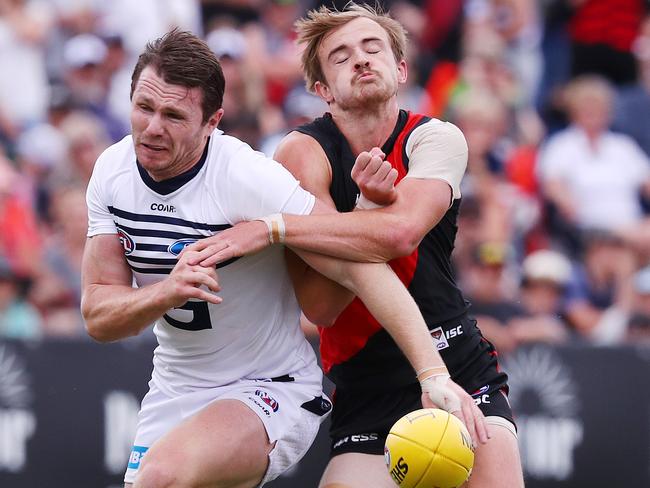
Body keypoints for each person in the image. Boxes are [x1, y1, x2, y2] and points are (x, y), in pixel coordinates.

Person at [80, 29, 485, 488]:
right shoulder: (111, 173)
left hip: (269, 386)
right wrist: (165, 293)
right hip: (175, 387)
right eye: (143, 107)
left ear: (213, 121)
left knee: (163, 478)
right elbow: (98, 316)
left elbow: (361, 267)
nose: (152, 127)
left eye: (174, 115)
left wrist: (431, 373)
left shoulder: (247, 177)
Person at [190, 4, 523, 487]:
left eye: (373, 48)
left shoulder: (436, 138)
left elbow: (400, 233)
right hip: (365, 381)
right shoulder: (301, 151)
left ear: (401, 68)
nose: (362, 60)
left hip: (454, 358)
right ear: (322, 89)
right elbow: (323, 307)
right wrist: (365, 208)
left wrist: (276, 227)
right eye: (341, 56)